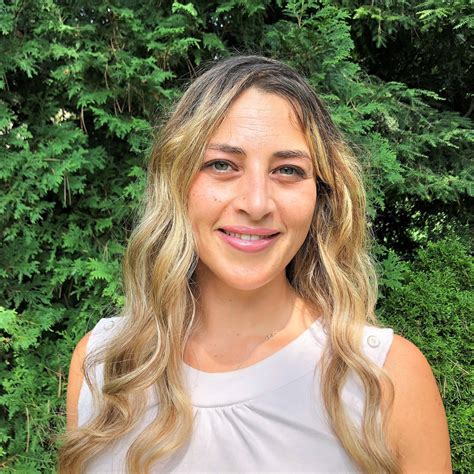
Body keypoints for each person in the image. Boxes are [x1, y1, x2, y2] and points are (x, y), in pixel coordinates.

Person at [60, 55, 451, 473]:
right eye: (222, 165)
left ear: (321, 195)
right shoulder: (105, 366)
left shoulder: (386, 378)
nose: (257, 203)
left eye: (288, 170)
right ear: (176, 180)